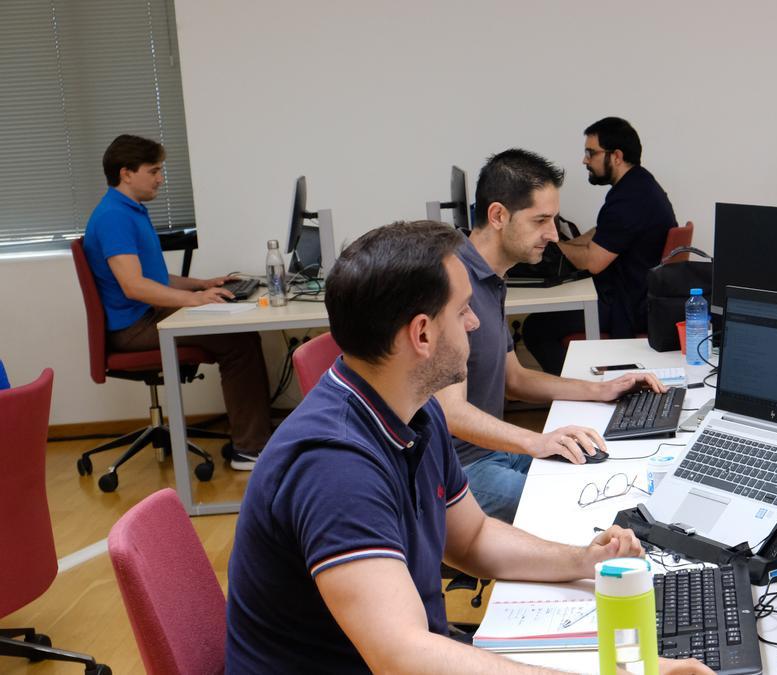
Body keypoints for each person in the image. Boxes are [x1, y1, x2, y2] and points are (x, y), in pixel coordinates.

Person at [225, 220, 711, 675]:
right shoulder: (335, 465)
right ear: (421, 334)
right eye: (462, 310)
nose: (476, 323)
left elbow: (473, 538)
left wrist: (581, 561)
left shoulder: (415, 409)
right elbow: (401, 657)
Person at [438, 149, 665, 523]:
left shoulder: (491, 278)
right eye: (541, 220)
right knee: (592, 509)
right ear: (498, 216)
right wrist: (535, 440)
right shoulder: (454, 283)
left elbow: (515, 379)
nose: (553, 234)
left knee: (614, 476)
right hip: (459, 471)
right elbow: (450, 411)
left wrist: (602, 389)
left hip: (491, 451)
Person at [82, 134, 271, 469]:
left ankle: (252, 440)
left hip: (148, 316)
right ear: (126, 173)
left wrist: (201, 284)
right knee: (239, 342)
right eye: (153, 171)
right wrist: (194, 300)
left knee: (238, 335)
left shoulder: (131, 210)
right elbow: (134, 286)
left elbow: (152, 278)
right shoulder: (113, 217)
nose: (160, 178)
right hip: (133, 328)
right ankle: (251, 448)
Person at [523, 117, 678, 374]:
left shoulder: (630, 199)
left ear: (616, 156)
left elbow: (594, 262)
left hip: (630, 305)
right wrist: (565, 243)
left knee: (535, 328)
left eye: (591, 153)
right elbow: (602, 232)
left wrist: (553, 244)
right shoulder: (637, 185)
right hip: (637, 293)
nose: (585, 160)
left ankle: (578, 391)